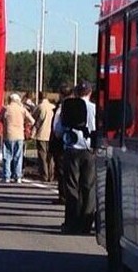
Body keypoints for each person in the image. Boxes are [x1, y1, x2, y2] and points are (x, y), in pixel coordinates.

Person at [54, 80, 97, 234]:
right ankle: (86, 224)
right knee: (88, 187)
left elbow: (58, 130)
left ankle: (71, 223)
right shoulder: (95, 109)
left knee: (72, 187)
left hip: (72, 150)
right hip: (90, 151)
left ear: (77, 92)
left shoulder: (67, 107)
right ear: (90, 92)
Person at [0, 93, 33, 183]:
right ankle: (18, 176)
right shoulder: (22, 109)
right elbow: (32, 120)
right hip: (20, 135)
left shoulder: (5, 108)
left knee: (7, 156)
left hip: (8, 135)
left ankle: (6, 176)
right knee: (18, 156)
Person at [50, 83, 73, 204]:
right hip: (67, 142)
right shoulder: (69, 105)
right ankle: (64, 195)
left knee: (62, 170)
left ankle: (63, 196)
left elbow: (57, 126)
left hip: (61, 142)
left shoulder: (63, 106)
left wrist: (57, 136)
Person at [32, 91, 56, 182]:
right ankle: (51, 175)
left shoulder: (40, 107)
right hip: (51, 134)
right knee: (51, 156)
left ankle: (44, 175)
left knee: (42, 155)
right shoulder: (52, 107)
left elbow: (33, 118)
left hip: (42, 134)